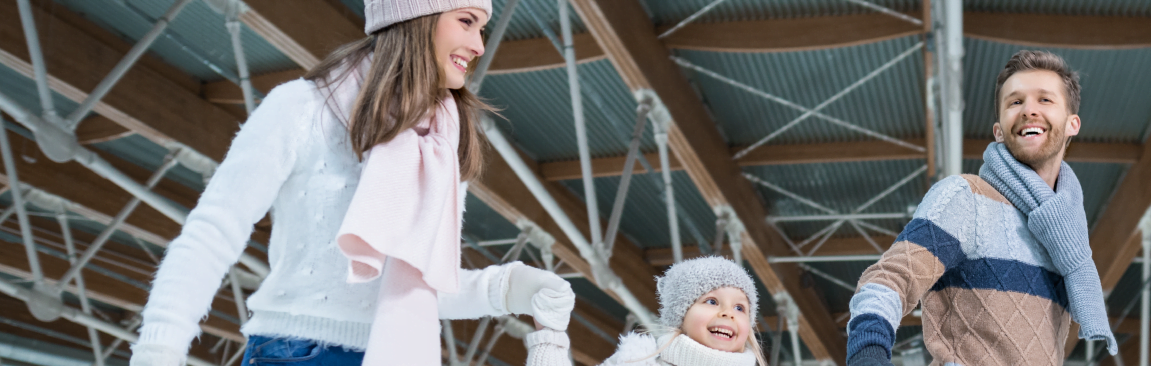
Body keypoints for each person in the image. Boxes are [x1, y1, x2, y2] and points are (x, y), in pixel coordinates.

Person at [128, 2, 576, 366]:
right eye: (467, 21)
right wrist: (158, 350)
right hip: (296, 353)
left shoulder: (442, 144)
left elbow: (419, 289)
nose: (478, 45)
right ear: (415, 16)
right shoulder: (301, 109)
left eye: (482, 28)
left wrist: (508, 288)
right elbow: (213, 231)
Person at [845, 50, 1117, 365]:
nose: (1029, 110)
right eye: (1015, 102)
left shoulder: (1067, 242)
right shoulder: (966, 199)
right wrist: (868, 355)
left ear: (1072, 124)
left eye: (1045, 100)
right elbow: (888, 279)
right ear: (999, 131)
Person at [589, 257, 765, 366]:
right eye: (711, 301)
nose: (728, 313)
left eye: (739, 308)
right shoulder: (633, 362)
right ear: (680, 316)